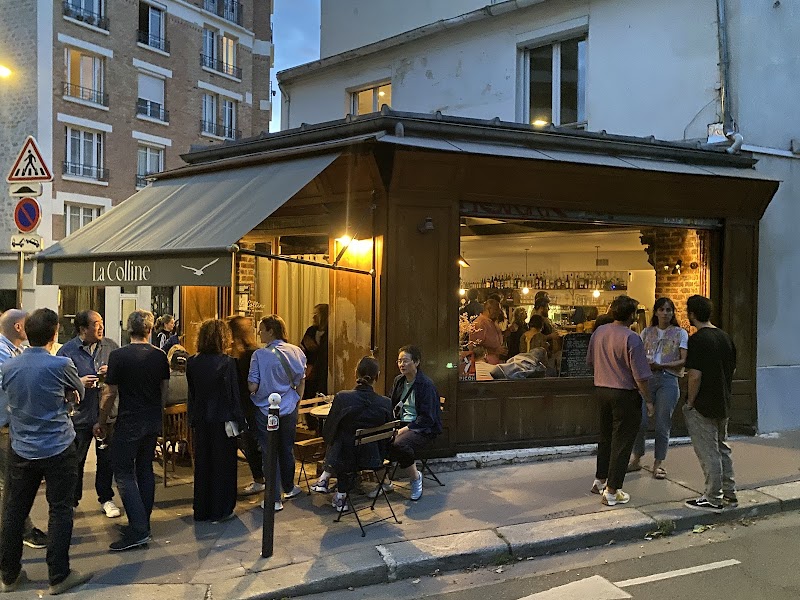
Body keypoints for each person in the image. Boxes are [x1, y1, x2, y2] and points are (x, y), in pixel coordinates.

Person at [0, 308, 92, 594]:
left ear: (27, 332)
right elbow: (79, 393)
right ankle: (58, 575)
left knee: (14, 511)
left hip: (21, 447)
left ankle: (9, 575)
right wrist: (66, 396)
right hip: (57, 446)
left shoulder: (9, 366)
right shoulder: (61, 364)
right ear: (54, 333)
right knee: (60, 509)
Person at [95, 310, 169, 551]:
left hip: (129, 420)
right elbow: (164, 389)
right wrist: (157, 413)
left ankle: (138, 529)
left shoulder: (118, 356)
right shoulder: (160, 356)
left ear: (129, 329)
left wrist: (101, 420)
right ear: (150, 329)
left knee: (124, 472)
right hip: (151, 420)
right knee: (145, 468)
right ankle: (142, 522)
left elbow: (110, 393)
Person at [586, 296, 653, 507]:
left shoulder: (599, 332)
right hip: (624, 393)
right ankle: (613, 491)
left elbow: (590, 361)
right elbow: (640, 376)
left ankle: (600, 479)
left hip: (602, 389)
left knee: (605, 437)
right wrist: (648, 400)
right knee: (622, 442)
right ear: (632, 315)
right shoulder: (632, 338)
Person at [57, 310, 121, 519]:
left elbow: (121, 377)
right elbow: (57, 384)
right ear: (83, 329)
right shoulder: (67, 351)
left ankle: (106, 498)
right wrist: (79, 383)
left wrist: (111, 372)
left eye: (101, 322)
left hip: (106, 413)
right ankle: (72, 501)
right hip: (80, 415)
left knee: (107, 460)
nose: (101, 327)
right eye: (96, 324)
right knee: (76, 461)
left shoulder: (111, 347)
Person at [682, 295, 738, 512]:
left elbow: (695, 375)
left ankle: (713, 497)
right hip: (723, 400)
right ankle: (729, 492)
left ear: (692, 314)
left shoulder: (697, 340)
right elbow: (732, 369)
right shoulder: (725, 337)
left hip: (703, 403)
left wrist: (690, 402)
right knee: (722, 447)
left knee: (708, 452)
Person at [318, 356, 393, 512]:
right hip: (374, 458)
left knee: (341, 436)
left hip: (345, 458)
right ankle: (338, 492)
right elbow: (387, 436)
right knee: (346, 437)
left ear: (355, 373)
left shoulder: (343, 398)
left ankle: (333, 484)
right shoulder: (385, 403)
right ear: (377, 376)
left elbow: (327, 432)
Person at [187, 320, 244, 522]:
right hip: (224, 420)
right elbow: (233, 395)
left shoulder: (192, 362)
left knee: (203, 464)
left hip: (201, 418)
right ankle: (221, 508)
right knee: (223, 465)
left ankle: (202, 508)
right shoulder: (228, 363)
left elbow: (192, 394)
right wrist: (240, 420)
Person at [248, 314, 306, 512]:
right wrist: (297, 400)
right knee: (286, 447)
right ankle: (289, 487)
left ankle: (274, 498)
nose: (259, 334)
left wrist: (253, 391)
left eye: (261, 330)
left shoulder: (259, 355)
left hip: (266, 409)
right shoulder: (297, 351)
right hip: (289, 406)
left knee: (269, 451)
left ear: (271, 331)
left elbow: (253, 385)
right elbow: (301, 380)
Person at [0, 310, 47, 550]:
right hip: (3, 427)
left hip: (10, 425)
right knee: (9, 484)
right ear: (19, 327)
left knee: (10, 483)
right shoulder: (3, 353)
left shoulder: (14, 351)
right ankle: (16, 534)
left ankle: (18, 531)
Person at [628, 298, 688, 479]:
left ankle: (658, 462)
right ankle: (637, 457)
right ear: (656, 312)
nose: (665, 313)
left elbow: (684, 360)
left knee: (663, 423)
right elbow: (637, 355)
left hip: (668, 378)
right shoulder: (646, 332)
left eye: (669, 310)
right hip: (647, 379)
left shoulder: (680, 333)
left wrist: (663, 366)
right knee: (640, 421)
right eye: (661, 309)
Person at [375, 345, 442, 502]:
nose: (401, 364)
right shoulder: (399, 381)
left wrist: (404, 429)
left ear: (416, 362)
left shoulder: (426, 385)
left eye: (405, 361)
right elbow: (391, 404)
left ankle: (415, 477)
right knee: (373, 440)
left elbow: (427, 418)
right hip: (400, 423)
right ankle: (385, 482)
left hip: (422, 428)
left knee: (399, 444)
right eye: (399, 361)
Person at [228, 316, 265, 495]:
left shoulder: (241, 355)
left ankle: (260, 478)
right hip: (255, 402)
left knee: (250, 442)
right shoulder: (254, 352)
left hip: (246, 404)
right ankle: (264, 477)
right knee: (255, 442)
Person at [300, 303, 329, 399]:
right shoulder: (311, 331)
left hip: (323, 371)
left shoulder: (331, 332)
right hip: (309, 371)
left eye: (316, 314)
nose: (313, 317)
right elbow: (303, 348)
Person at [468, 299, 506, 364]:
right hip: (484, 365)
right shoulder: (480, 323)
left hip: (495, 364)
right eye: (496, 310)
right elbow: (474, 348)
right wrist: (495, 351)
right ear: (489, 309)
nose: (499, 312)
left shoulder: (493, 322)